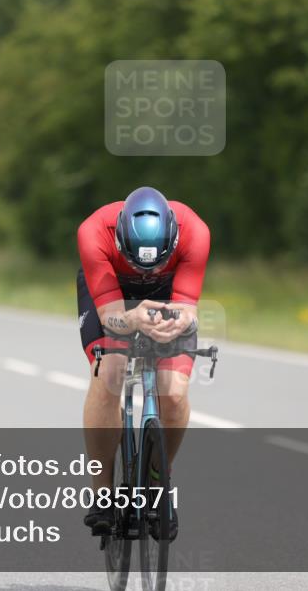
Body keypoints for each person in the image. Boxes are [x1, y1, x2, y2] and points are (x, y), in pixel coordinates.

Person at [77, 186, 210, 538]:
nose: (145, 270)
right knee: (110, 373)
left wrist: (180, 323)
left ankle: (157, 478)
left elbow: (188, 309)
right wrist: (132, 321)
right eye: (136, 259)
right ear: (120, 239)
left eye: (153, 262)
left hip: (169, 293)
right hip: (111, 294)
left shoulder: (195, 231)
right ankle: (102, 494)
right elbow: (111, 319)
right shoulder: (93, 233)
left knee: (175, 393)